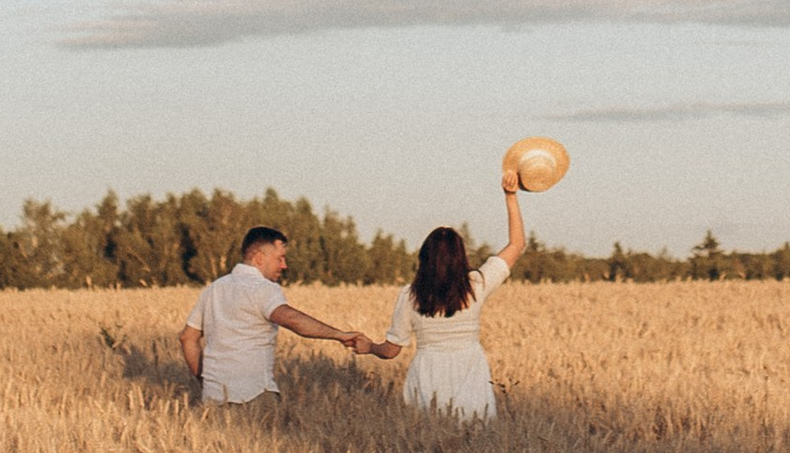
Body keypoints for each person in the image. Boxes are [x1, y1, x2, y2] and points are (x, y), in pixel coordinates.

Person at [350, 167, 530, 419]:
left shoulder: (410, 295)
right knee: (473, 440)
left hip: (427, 373)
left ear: (424, 257)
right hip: (470, 370)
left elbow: (391, 350)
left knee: (427, 443)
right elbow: (517, 245)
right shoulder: (477, 284)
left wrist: (369, 347)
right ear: (461, 257)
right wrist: (510, 196)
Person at [179, 225, 354, 405]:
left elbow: (187, 338)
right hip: (254, 395)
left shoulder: (214, 289)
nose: (284, 266)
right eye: (280, 258)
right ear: (259, 258)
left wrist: (205, 380)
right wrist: (339, 335)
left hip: (213, 399)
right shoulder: (264, 288)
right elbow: (291, 319)